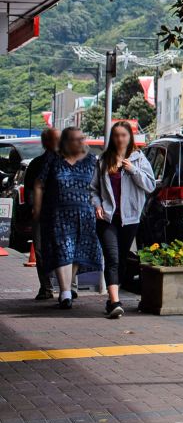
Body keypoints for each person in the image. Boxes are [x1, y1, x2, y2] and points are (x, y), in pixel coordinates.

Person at [32, 126, 102, 310]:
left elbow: (98, 185)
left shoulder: (90, 160)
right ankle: (65, 293)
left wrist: (99, 205)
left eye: (81, 138)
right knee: (63, 250)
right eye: (74, 139)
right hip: (59, 214)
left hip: (85, 214)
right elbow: (39, 184)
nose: (80, 142)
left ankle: (68, 288)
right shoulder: (53, 159)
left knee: (76, 252)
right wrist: (37, 208)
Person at [93, 121, 155, 319]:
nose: (120, 139)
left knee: (120, 260)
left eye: (124, 135)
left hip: (129, 219)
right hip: (107, 218)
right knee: (111, 257)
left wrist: (133, 170)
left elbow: (150, 185)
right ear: (112, 138)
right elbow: (93, 189)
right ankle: (116, 302)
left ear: (130, 138)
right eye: (117, 135)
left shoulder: (139, 160)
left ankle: (111, 300)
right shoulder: (104, 160)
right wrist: (97, 205)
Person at [22, 127, 60, 301]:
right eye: (54, 139)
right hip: (42, 212)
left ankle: (68, 288)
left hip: (63, 213)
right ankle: (46, 287)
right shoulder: (37, 164)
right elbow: (30, 189)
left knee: (63, 249)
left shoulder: (69, 162)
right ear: (46, 143)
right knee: (41, 250)